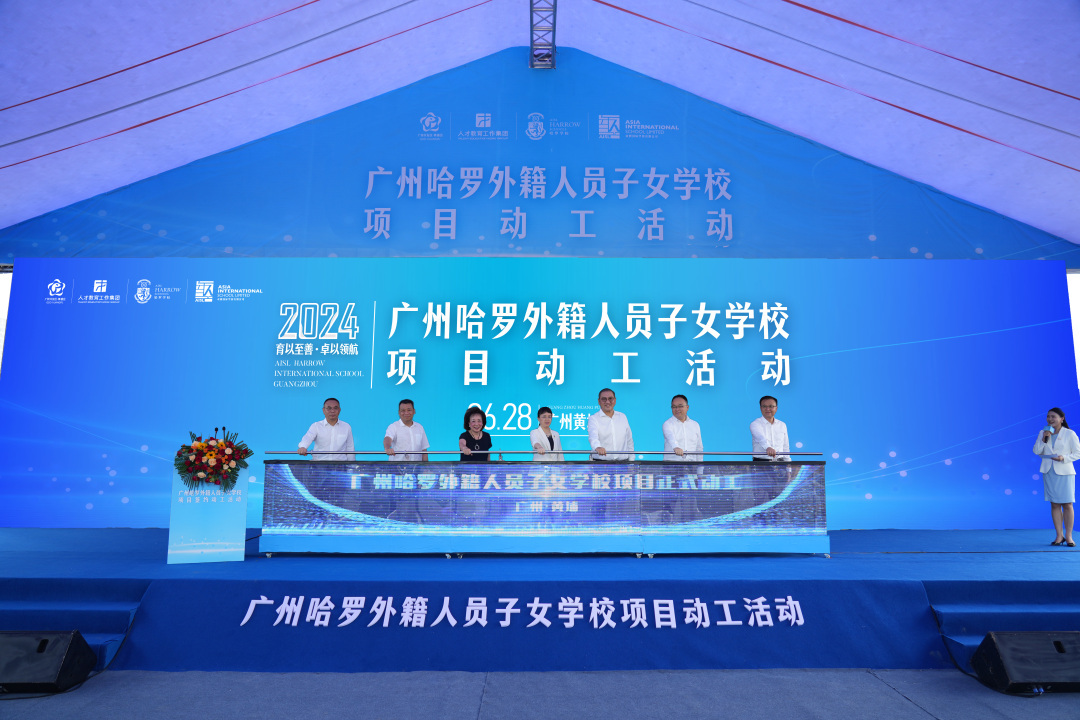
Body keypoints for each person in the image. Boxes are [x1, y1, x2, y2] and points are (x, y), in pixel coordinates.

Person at [1033, 407, 1080, 547]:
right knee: (1054, 504)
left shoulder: (1069, 433)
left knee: (1067, 504)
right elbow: (1036, 451)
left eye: (1053, 416)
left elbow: (1078, 453)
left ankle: (1069, 536)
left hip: (1065, 472)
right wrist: (1044, 438)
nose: (1050, 419)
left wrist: (1063, 458)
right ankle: (1059, 536)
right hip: (1049, 472)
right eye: (1048, 416)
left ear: (1062, 419)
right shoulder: (1043, 432)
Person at [588, 388, 634, 461]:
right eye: (604, 399)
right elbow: (593, 437)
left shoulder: (622, 416)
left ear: (615, 400)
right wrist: (597, 447)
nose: (607, 402)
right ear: (599, 401)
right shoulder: (593, 418)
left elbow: (629, 440)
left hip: (623, 464)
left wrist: (632, 460)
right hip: (600, 464)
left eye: (610, 399)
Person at [663, 394, 703, 461]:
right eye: (674, 407)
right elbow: (670, 436)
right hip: (671, 464)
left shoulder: (695, 425)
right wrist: (676, 447)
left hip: (692, 464)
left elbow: (699, 448)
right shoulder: (668, 424)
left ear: (687, 407)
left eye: (680, 406)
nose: (677, 409)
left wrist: (700, 466)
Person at [750, 395, 789, 461]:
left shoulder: (782, 425)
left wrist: (788, 463)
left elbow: (785, 446)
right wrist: (768, 447)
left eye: (771, 406)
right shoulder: (755, 424)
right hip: (761, 463)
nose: (767, 409)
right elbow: (760, 437)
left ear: (776, 408)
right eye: (764, 406)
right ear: (760, 408)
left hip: (780, 462)